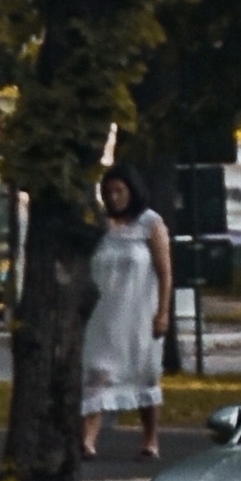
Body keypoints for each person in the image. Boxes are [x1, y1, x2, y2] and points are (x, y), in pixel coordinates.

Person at [81, 163, 173, 459]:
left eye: (120, 190)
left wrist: (163, 312)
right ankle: (88, 440)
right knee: (98, 372)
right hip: (104, 314)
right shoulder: (99, 225)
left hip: (139, 314)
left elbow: (165, 272)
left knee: (145, 374)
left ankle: (150, 439)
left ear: (132, 191)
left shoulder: (150, 223)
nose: (114, 197)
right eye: (108, 191)